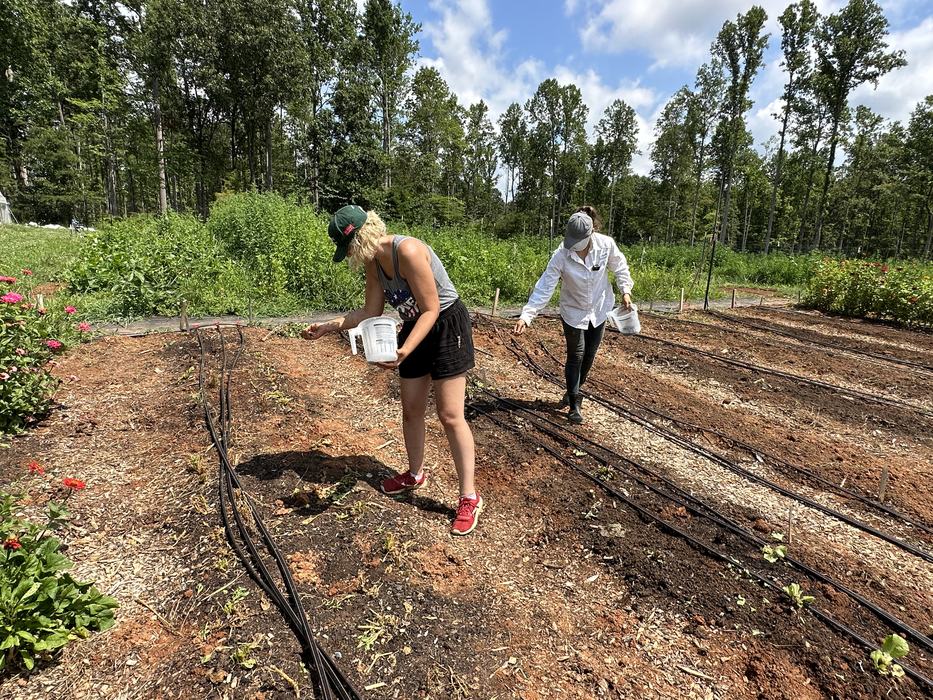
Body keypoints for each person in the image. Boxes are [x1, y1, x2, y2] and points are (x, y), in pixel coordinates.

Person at [301, 205, 482, 536]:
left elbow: (430, 309)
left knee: (449, 414)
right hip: (415, 327)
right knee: (411, 410)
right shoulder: (374, 263)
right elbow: (370, 311)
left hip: (445, 325)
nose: (352, 257)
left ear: (363, 236)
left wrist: (403, 350)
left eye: (349, 248)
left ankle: (469, 497)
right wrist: (329, 327)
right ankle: (414, 474)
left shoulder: (408, 251)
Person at [513, 206, 633, 424]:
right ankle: (575, 402)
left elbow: (620, 268)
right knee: (576, 354)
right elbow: (545, 286)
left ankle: (572, 390)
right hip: (573, 311)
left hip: (599, 307)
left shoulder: (606, 245)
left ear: (591, 234)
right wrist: (526, 316)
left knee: (589, 355)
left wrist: (626, 291)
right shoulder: (561, 254)